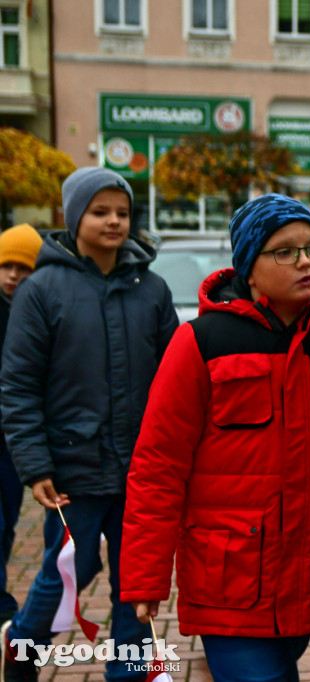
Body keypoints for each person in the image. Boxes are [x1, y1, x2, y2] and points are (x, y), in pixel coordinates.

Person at [118, 194, 310, 682]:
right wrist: (145, 575)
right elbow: (158, 464)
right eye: (284, 251)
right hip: (230, 582)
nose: (304, 261)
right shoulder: (202, 342)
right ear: (249, 269)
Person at [1, 168, 179, 682]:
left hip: (139, 475)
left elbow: (174, 380)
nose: (114, 222)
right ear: (75, 216)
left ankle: (128, 674)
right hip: (71, 473)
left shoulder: (152, 289)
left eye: (122, 212)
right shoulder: (42, 290)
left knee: (135, 587)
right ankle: (21, 651)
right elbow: (18, 385)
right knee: (62, 581)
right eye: (100, 212)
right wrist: (34, 465)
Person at [0, 224, 43, 628]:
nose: (13, 275)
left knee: (8, 520)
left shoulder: (36, 312)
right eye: (5, 266)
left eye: (23, 267)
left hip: (15, 441)